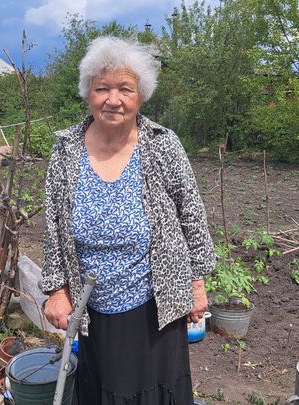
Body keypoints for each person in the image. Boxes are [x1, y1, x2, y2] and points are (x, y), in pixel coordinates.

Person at [41, 36, 215, 405]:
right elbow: (54, 223)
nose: (113, 99)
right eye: (102, 88)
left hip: (155, 302)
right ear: (88, 92)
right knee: (103, 390)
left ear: (141, 95)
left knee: (153, 391)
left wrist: (196, 284)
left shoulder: (162, 144)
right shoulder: (67, 148)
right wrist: (56, 290)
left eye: (125, 88)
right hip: (92, 307)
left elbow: (192, 215)